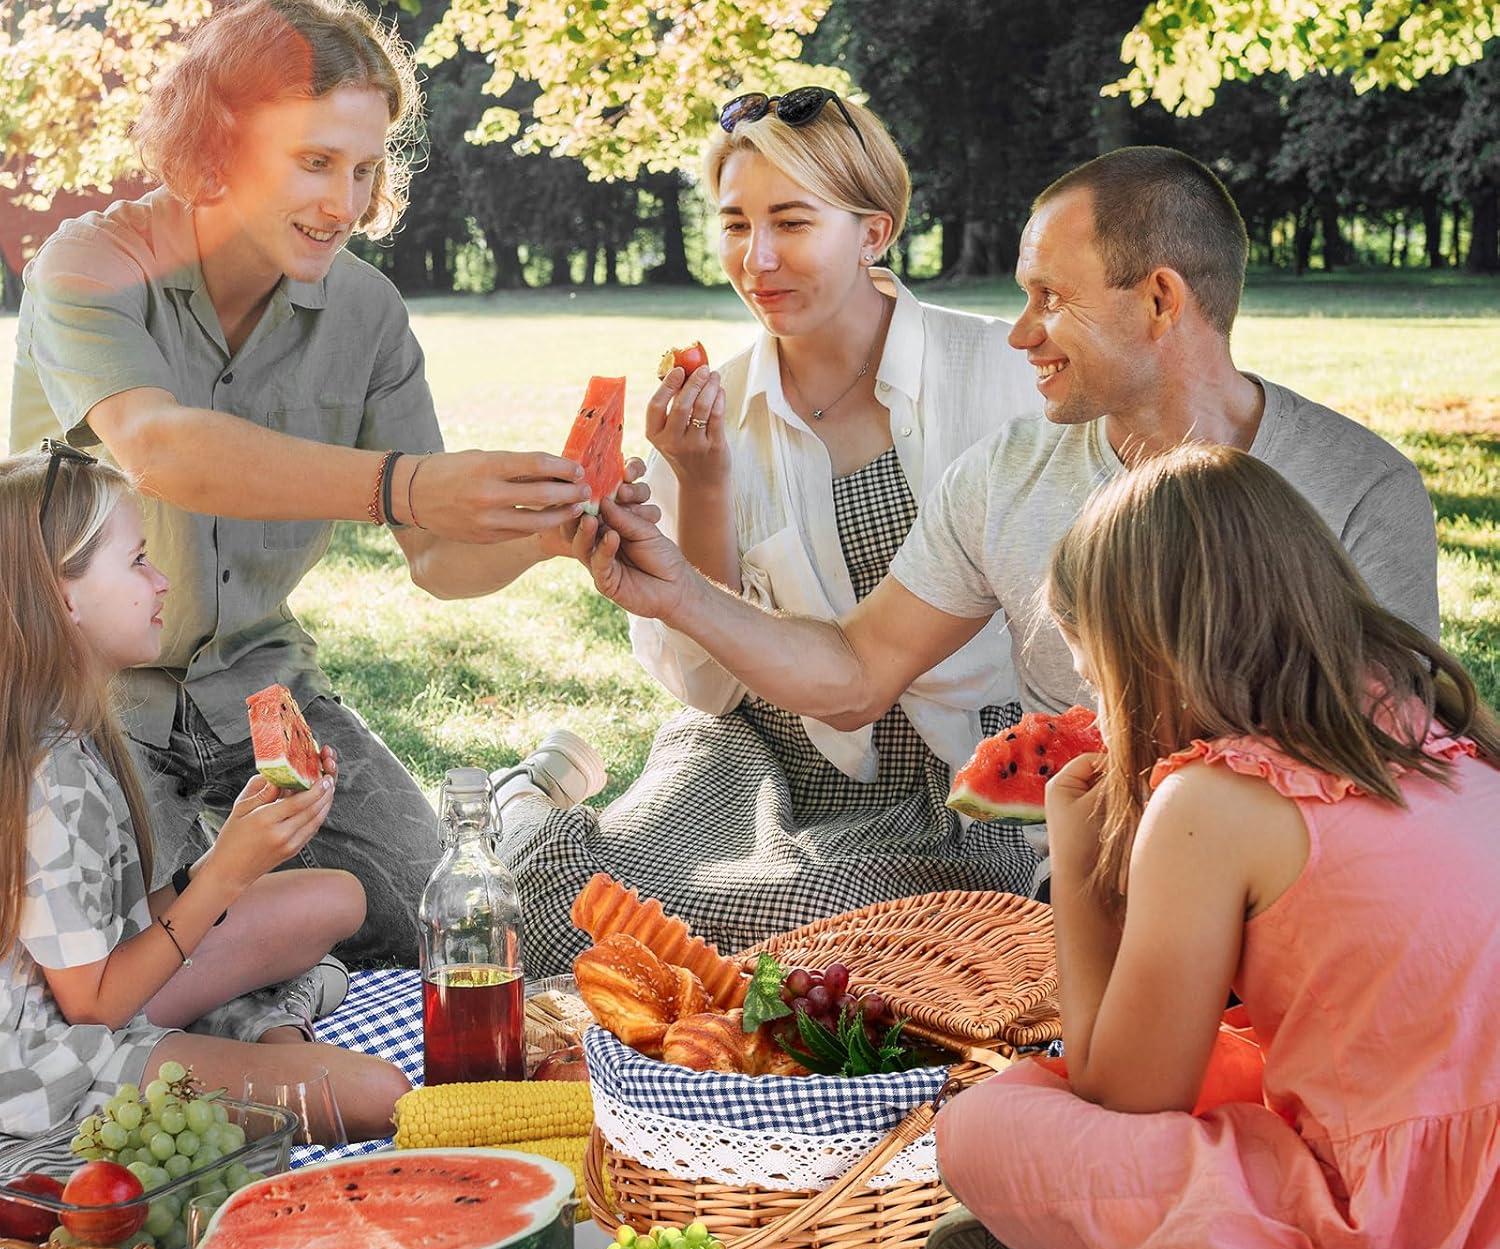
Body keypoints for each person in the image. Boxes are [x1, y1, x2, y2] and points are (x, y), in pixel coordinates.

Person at [8, 0, 629, 967]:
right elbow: (163, 447)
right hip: (78, 683)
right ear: (215, 145)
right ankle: (224, 904)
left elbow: (437, 559)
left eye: (366, 167)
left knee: (427, 913)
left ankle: (494, 806)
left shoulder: (368, 314)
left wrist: (551, 529)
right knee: (111, 958)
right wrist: (409, 484)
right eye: (313, 161)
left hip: (259, 679)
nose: (346, 202)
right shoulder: (89, 266)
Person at [572, 146, 1440, 767]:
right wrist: (679, 592)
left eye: (1050, 299)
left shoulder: (1362, 488)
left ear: (1162, 299)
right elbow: (856, 674)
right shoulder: (1006, 473)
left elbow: (1396, 762)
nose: (1020, 334)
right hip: (1069, 879)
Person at [925, 444, 1500, 1249]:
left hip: (1398, 1229)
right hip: (1470, 1177)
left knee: (981, 1128)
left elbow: (1124, 1099)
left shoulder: (1209, 801)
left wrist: (1076, 868)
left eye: (1098, 676)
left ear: (1145, 658)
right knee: (1234, 1059)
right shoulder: (1437, 725)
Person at [498, 89, 1040, 975]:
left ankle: (554, 817)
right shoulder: (710, 415)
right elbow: (708, 688)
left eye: (791, 223)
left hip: (962, 777)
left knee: (876, 939)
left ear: (874, 231)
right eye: (735, 223)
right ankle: (529, 805)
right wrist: (703, 488)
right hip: (761, 757)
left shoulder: (1002, 376)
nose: (757, 260)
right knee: (551, 912)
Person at [0, 448, 411, 1143]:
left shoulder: (75, 725)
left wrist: (235, 850)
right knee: (383, 1095)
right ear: (63, 593)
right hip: (48, 1064)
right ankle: (252, 1027)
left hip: (95, 986)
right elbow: (94, 1008)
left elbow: (113, 934)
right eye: (137, 562)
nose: (163, 582)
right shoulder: (53, 777)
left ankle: (244, 1029)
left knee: (338, 898)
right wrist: (226, 873)